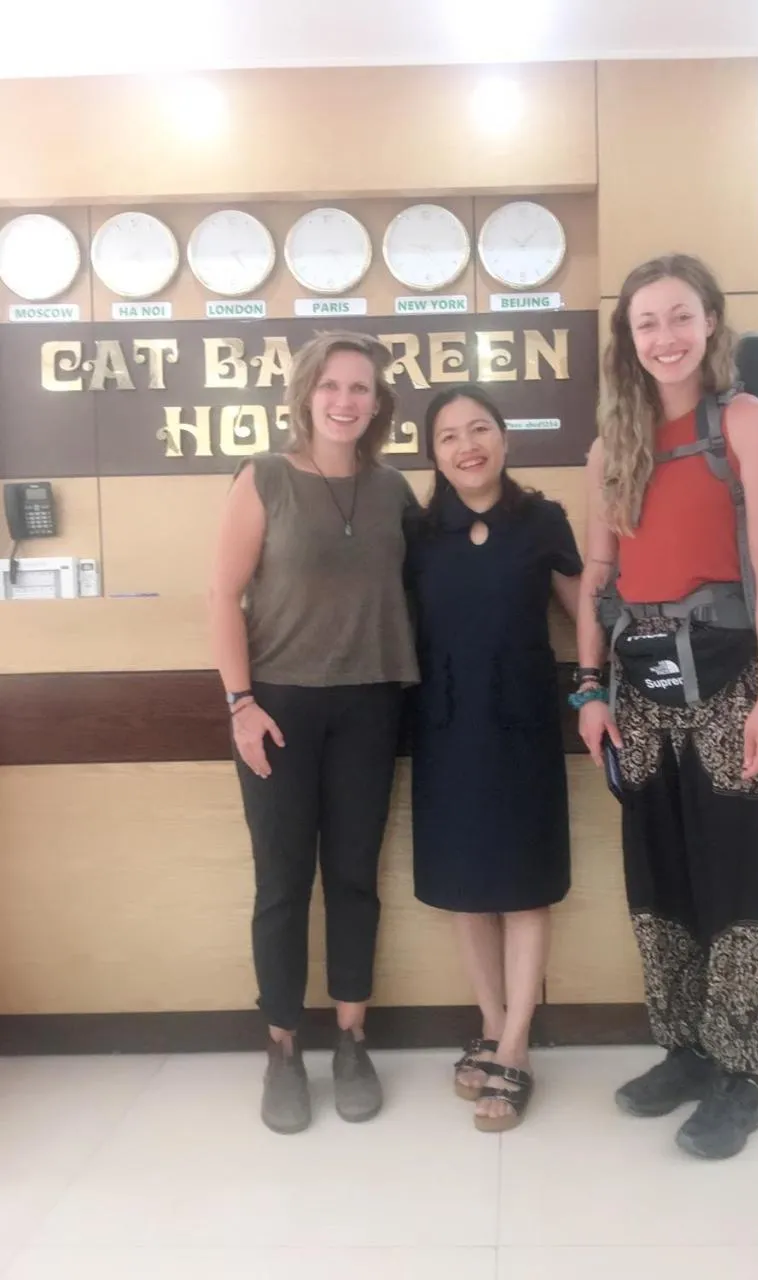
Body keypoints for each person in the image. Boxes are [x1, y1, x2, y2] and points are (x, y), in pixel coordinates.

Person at [575, 254, 758, 1160]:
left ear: (711, 322)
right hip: (643, 692)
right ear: (627, 341)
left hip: (737, 681)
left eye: (679, 317)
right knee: (660, 872)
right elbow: (598, 575)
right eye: (645, 324)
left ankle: (742, 1074)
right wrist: (590, 690)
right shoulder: (609, 448)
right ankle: (687, 1047)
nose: (664, 338)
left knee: (742, 874)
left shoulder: (748, 425)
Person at [209, 331, 418, 1135]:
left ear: (378, 401)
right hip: (279, 711)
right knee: (283, 882)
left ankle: (352, 1041)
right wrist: (240, 703)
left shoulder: (396, 489)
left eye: (361, 387)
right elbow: (221, 596)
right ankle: (283, 1050)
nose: (345, 400)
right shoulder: (263, 478)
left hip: (371, 705)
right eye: (331, 385)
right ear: (305, 394)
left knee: (356, 878)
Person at [404, 384, 581, 1133]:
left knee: (524, 884)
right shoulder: (416, 531)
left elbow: (589, 616)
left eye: (480, 429)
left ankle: (514, 1047)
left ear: (505, 439)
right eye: (449, 436)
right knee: (466, 889)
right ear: (434, 455)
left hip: (521, 722)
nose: (467, 445)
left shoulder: (543, 520)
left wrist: (601, 683)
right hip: (444, 723)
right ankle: (490, 1018)